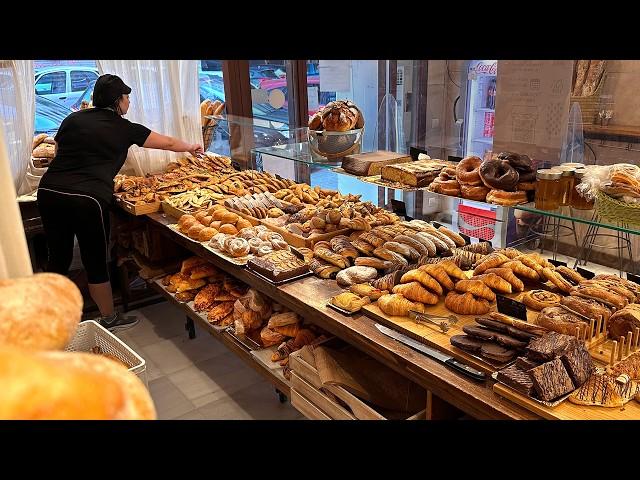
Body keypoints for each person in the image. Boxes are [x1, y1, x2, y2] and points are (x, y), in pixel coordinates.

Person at [38, 73, 203, 331]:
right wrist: (192, 146)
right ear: (118, 101)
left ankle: (48, 320)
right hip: (88, 199)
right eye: (126, 97)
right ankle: (108, 318)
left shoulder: (73, 118)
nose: (129, 102)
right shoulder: (125, 128)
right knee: (95, 261)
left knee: (57, 257)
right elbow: (168, 143)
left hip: (49, 191)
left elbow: (58, 151)